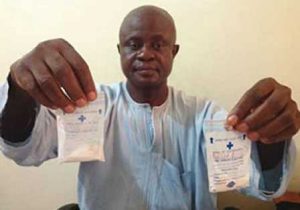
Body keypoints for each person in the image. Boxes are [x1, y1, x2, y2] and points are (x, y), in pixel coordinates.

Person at [0, 5, 299, 210]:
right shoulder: (89, 107)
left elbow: (260, 184)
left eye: (158, 44)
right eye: (133, 44)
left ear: (174, 51)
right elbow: (25, 148)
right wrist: (18, 89)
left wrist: (272, 137)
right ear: (119, 51)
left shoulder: (204, 115)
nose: (145, 53)